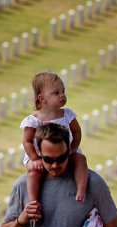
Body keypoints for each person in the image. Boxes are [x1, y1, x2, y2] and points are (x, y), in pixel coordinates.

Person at [21, 71, 89, 210]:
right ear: (42, 98)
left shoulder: (67, 114)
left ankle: (81, 190)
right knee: (34, 171)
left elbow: (77, 132)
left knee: (81, 160)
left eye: (63, 91)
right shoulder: (34, 120)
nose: (62, 95)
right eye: (56, 93)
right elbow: (27, 142)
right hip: (39, 156)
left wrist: (74, 148)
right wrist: (35, 158)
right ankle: (33, 202)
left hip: (65, 153)